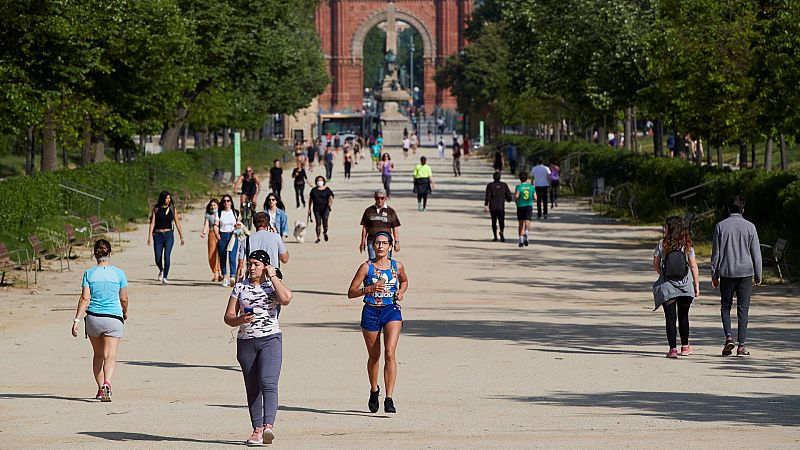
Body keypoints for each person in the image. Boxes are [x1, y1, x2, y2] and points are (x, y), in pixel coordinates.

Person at [224, 250, 292, 446]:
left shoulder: (272, 286)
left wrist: (273, 276)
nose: (251, 267)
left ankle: (268, 425)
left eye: (256, 264)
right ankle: (257, 430)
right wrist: (240, 319)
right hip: (246, 342)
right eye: (250, 264)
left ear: (265, 267)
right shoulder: (239, 288)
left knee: (268, 382)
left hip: (270, 339)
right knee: (253, 388)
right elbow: (228, 317)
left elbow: (286, 299)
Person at [346, 232, 409, 414]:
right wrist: (369, 289)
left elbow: (404, 281)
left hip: (391, 311)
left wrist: (401, 292)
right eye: (377, 243)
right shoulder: (366, 267)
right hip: (371, 311)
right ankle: (374, 390)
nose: (380, 246)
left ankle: (389, 398)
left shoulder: (397, 266)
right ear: (372, 246)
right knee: (374, 356)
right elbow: (351, 292)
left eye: (384, 243)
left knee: (390, 353)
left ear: (390, 246)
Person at [71, 239, 129, 402]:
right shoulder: (119, 273)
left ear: (95, 254)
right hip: (113, 318)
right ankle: (107, 383)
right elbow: (124, 298)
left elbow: (84, 298)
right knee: (110, 355)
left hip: (94, 318)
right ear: (110, 254)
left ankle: (99, 388)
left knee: (98, 355)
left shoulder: (89, 274)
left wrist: (77, 320)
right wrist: (125, 312)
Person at [711, 195, 762, 357]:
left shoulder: (720, 226)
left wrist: (714, 274)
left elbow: (716, 254)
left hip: (726, 272)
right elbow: (756, 254)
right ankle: (741, 346)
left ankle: (728, 337)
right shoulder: (750, 227)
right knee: (743, 309)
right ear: (743, 209)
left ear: (728, 209)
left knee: (725, 306)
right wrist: (758, 274)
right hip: (746, 273)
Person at [652, 216, 700, 358]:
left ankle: (672, 349)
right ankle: (685, 347)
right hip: (685, 287)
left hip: (668, 287)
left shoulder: (662, 244)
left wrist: (663, 273)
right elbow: (693, 266)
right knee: (684, 317)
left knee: (670, 318)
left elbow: (655, 263)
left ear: (670, 229)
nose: (664, 229)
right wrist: (696, 285)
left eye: (665, 227)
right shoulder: (687, 245)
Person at [236, 212, 289, 282]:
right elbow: (284, 259)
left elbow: (240, 266)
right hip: (272, 279)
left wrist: (237, 287)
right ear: (268, 224)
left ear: (254, 224)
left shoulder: (246, 240)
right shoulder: (276, 237)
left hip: (254, 280)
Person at [146, 190, 185, 284]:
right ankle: (161, 269)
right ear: (162, 199)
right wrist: (149, 237)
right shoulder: (156, 209)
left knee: (167, 256)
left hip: (168, 235)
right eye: (166, 198)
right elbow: (152, 223)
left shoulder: (172, 209)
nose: (168, 200)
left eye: (169, 198)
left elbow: (177, 223)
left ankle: (165, 277)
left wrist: (181, 236)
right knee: (157, 257)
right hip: (158, 235)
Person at [359, 189, 401, 259]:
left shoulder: (390, 211)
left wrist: (397, 242)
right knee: (373, 262)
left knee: (386, 262)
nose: (380, 200)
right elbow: (365, 228)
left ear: (386, 198)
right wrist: (362, 242)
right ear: (374, 198)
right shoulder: (369, 210)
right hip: (372, 242)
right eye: (377, 198)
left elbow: (395, 228)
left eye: (382, 198)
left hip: (386, 242)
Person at [216, 194, 240, 287]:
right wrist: (217, 234)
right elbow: (216, 224)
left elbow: (239, 223)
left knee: (232, 257)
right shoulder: (219, 213)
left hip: (233, 235)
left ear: (231, 202)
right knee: (222, 257)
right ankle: (225, 276)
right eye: (224, 201)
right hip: (222, 235)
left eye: (228, 201)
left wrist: (238, 227)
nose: (226, 202)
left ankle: (233, 276)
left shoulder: (235, 212)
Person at [484, 172, 513, 242]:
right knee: (501, 221)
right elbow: (509, 195)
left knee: (494, 222)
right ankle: (501, 231)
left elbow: (487, 196)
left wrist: (486, 205)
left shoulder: (490, 185)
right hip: (501, 206)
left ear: (493, 177)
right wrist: (509, 199)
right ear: (500, 177)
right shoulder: (504, 185)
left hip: (493, 207)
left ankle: (495, 236)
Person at [200, 199, 222, 282]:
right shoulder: (208, 215)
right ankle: (215, 272)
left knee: (220, 254)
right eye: (211, 205)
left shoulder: (221, 213)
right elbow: (206, 225)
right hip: (212, 233)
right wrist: (203, 232)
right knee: (211, 254)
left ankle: (219, 272)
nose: (213, 207)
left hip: (221, 233)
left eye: (214, 205)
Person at [308, 175, 334, 243]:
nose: (319, 182)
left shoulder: (327, 189)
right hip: (316, 209)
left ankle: (325, 232)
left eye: (321, 180)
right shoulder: (314, 190)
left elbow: (331, 197)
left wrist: (330, 204)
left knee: (325, 221)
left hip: (325, 208)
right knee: (318, 223)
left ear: (323, 181)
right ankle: (318, 237)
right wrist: (309, 208)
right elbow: (310, 200)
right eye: (318, 180)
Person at [514, 172, 535, 248]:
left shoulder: (518, 187)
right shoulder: (531, 187)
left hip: (520, 206)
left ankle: (521, 240)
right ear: (527, 178)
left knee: (520, 224)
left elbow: (516, 196)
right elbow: (535, 197)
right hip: (528, 206)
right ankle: (526, 233)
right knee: (527, 222)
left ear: (520, 178)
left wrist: (516, 200)